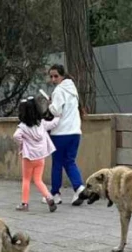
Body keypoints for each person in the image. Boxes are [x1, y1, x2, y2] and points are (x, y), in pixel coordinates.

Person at [45, 64, 85, 206]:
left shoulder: (58, 91)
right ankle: (79, 187)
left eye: (56, 76)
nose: (53, 79)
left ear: (62, 76)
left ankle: (55, 193)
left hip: (60, 133)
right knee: (70, 161)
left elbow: (56, 111)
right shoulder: (73, 90)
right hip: (75, 131)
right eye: (51, 76)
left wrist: (49, 104)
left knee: (57, 163)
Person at [13, 98, 59, 212]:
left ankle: (24, 204)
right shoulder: (41, 124)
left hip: (29, 157)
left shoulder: (22, 127)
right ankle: (49, 198)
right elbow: (53, 124)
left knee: (26, 180)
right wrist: (59, 116)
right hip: (40, 156)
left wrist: (23, 142)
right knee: (38, 180)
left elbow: (16, 136)